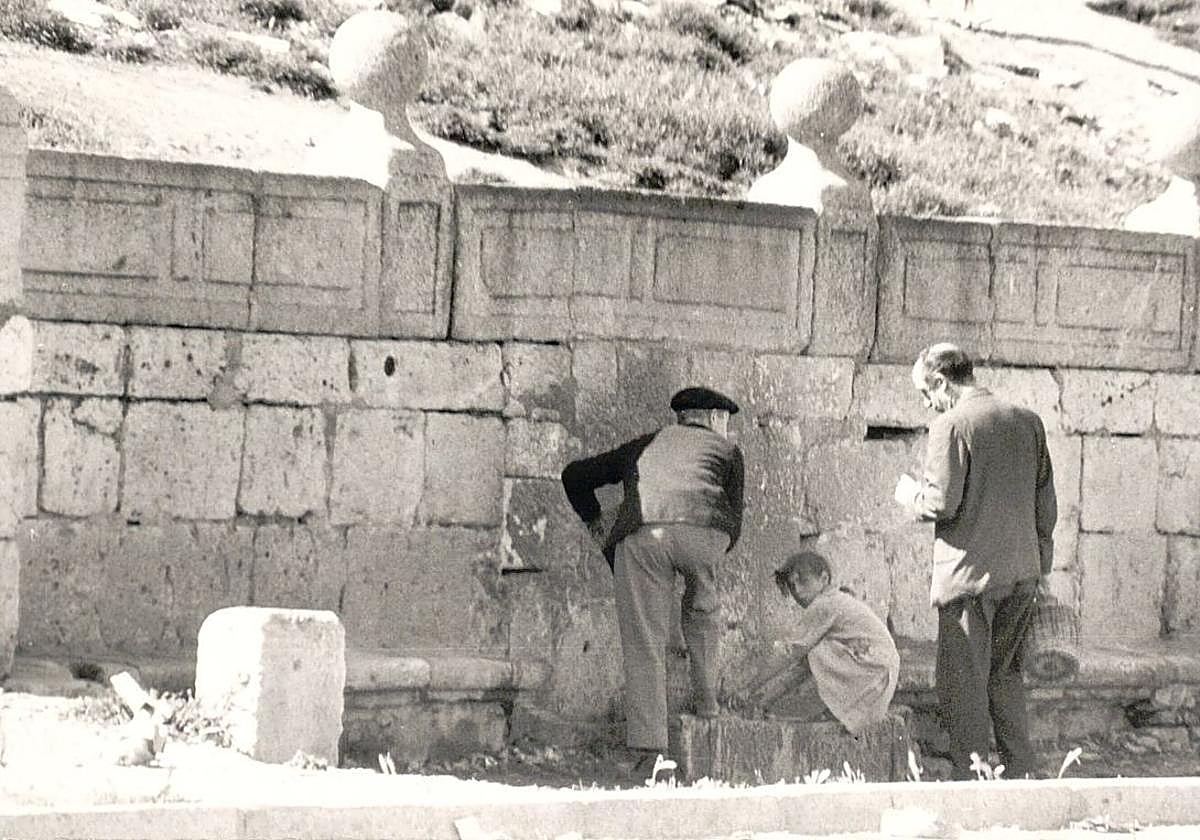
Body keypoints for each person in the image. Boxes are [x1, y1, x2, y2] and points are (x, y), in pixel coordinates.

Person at [561, 386, 745, 782]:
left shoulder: (645, 445)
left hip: (644, 537)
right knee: (703, 614)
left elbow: (574, 476)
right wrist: (707, 557)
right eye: (724, 420)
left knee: (645, 642)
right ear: (714, 418)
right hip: (705, 539)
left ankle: (649, 753)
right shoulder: (728, 452)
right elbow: (736, 520)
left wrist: (600, 528)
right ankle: (708, 712)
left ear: (682, 417)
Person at [894, 343, 1057, 780]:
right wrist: (1040, 564)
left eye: (925, 394)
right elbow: (1046, 505)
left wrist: (910, 497)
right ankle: (1021, 772)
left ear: (942, 383)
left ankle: (972, 777)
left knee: (963, 684)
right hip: (1022, 574)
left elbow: (942, 503)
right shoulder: (1028, 422)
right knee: (1005, 678)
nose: (926, 404)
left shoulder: (949, 425)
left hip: (969, 580)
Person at [739, 551, 899, 734]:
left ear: (824, 578)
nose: (797, 591)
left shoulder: (824, 604)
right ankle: (833, 712)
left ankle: (832, 712)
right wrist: (765, 699)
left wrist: (748, 689)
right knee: (815, 652)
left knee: (814, 651)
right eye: (792, 586)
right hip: (880, 672)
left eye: (803, 582)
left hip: (872, 668)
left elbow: (789, 653)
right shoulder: (837, 600)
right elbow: (802, 666)